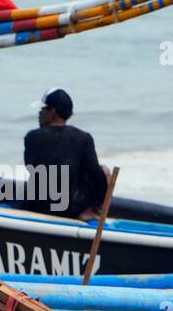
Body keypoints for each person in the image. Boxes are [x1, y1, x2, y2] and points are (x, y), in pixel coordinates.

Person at [21, 88, 109, 219]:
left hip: (35, 204)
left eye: (43, 110)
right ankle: (91, 212)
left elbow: (31, 167)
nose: (40, 113)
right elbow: (96, 176)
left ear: (52, 112)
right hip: (69, 209)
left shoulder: (31, 137)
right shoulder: (83, 138)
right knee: (104, 171)